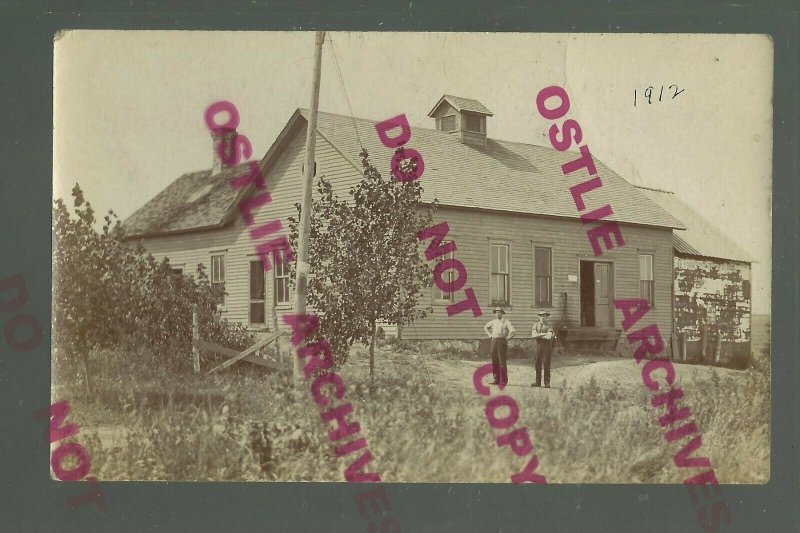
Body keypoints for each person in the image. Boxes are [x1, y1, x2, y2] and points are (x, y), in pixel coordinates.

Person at [483, 307, 515, 385]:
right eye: (496, 312)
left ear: (502, 313)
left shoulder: (506, 322)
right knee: (494, 360)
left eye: (499, 312)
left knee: (502, 361)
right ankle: (496, 379)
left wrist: (507, 339)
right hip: (494, 341)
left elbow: (513, 331)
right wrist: (489, 335)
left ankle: (503, 380)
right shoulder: (493, 322)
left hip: (501, 341)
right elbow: (485, 327)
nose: (498, 314)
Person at [531, 310, 555, 388]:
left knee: (546, 364)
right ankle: (538, 382)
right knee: (537, 364)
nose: (542, 317)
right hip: (537, 346)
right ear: (539, 317)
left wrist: (539, 335)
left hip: (546, 347)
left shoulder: (549, 326)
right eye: (541, 316)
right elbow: (533, 335)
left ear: (547, 317)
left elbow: (549, 337)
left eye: (544, 316)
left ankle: (547, 382)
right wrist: (544, 334)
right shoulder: (536, 325)